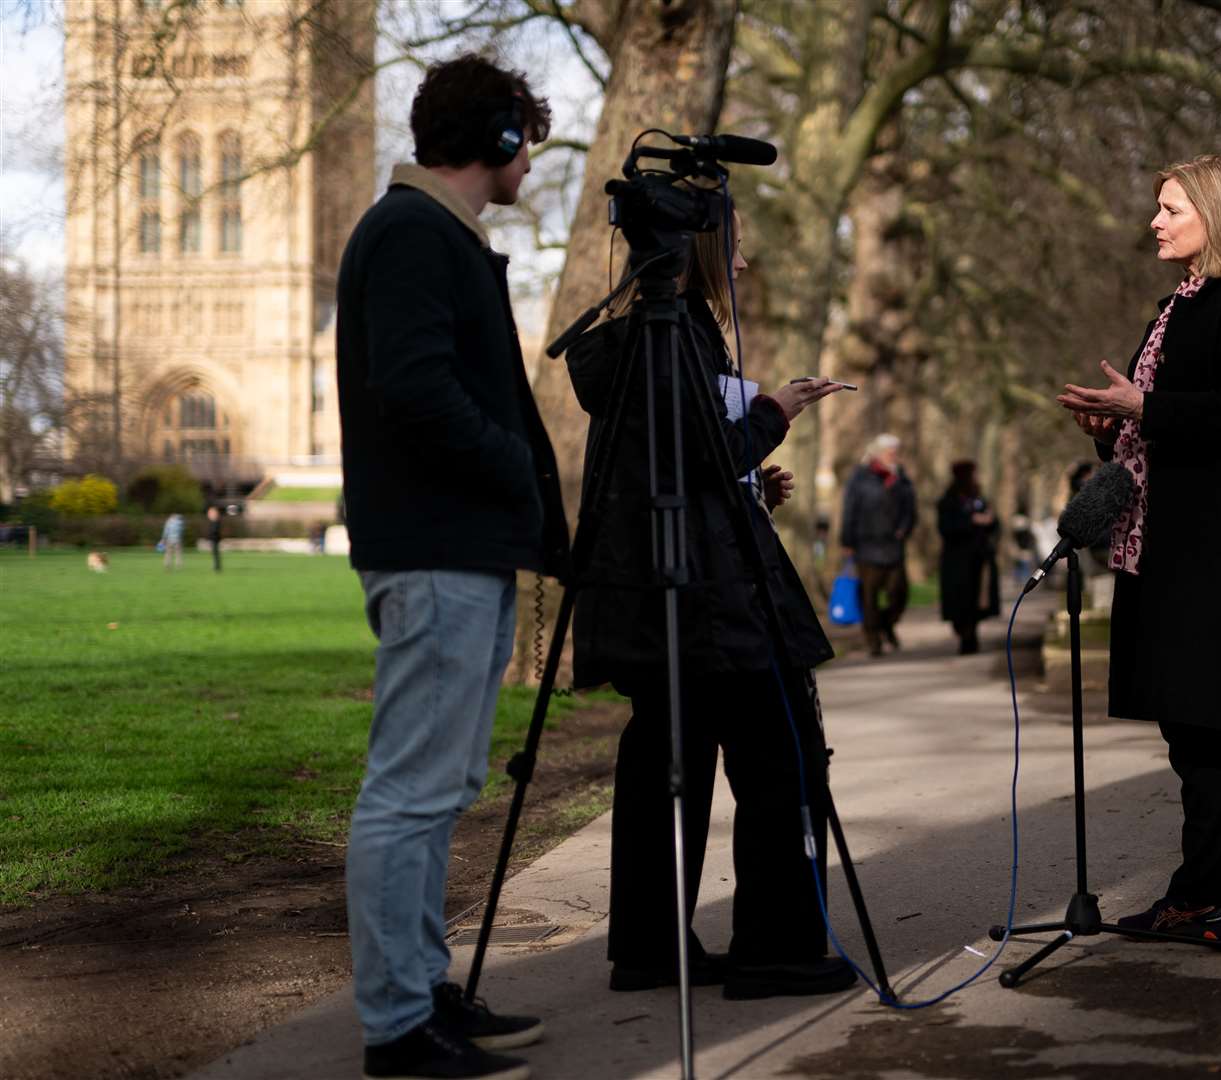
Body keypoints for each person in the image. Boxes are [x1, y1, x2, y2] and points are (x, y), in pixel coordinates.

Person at [334, 55, 570, 1080]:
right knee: (409, 792)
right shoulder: (413, 233)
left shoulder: (434, 234)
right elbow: (417, 389)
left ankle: (420, 991)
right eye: (528, 141)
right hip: (433, 546)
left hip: (455, 547)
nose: (533, 164)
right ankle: (396, 1026)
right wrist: (515, 462)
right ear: (502, 138)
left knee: (438, 786)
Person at [565, 206, 856, 1000]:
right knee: (777, 751)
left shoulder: (642, 334)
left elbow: (666, 466)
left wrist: (748, 484)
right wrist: (773, 415)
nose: (746, 262)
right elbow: (697, 451)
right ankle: (779, 947)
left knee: (668, 757)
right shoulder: (673, 333)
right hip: (707, 603)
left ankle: (652, 946)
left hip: (666, 588)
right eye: (737, 244)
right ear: (706, 249)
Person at [1056, 154, 1221, 951]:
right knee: (1193, 733)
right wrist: (1118, 427)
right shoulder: (1177, 306)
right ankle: (1203, 890)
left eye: (1171, 208)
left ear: (1217, 212)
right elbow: (1174, 423)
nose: (1156, 221)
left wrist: (1149, 405)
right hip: (1174, 553)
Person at [839, 434, 916, 656]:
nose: (894, 455)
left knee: (899, 593)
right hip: (866, 544)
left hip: (894, 545)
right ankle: (873, 639)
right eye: (890, 451)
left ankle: (887, 624)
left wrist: (905, 529)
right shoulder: (860, 477)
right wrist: (847, 540)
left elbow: (910, 508)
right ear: (877, 453)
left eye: (895, 451)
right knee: (869, 596)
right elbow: (849, 509)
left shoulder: (901, 477)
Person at [936, 460, 1000, 655]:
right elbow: (945, 528)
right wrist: (971, 521)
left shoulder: (979, 499)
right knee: (960, 603)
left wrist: (989, 521)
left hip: (979, 559)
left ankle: (970, 635)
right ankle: (964, 634)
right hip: (957, 561)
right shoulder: (948, 501)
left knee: (977, 602)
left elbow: (995, 524)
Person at [206, 505, 223, 572]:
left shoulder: (216, 522)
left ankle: (217, 567)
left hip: (215, 539)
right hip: (213, 539)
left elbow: (214, 531)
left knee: (215, 554)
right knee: (214, 554)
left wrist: (211, 536)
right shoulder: (214, 522)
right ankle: (216, 566)